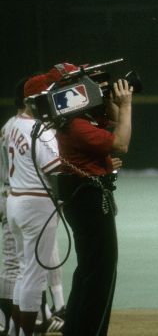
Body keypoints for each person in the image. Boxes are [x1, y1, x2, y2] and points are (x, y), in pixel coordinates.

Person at [53, 65, 133, 336]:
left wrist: (111, 104)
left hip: (83, 196)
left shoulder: (73, 120)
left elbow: (112, 125)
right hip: (89, 199)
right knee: (101, 275)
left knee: (88, 271)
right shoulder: (77, 126)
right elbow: (122, 143)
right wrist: (127, 105)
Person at [5, 74, 63, 336]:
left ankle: (18, 332)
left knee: (23, 270)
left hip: (15, 199)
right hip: (36, 203)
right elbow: (56, 169)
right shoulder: (40, 130)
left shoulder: (10, 124)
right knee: (35, 275)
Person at [0, 78, 27, 335]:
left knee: (15, 262)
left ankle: (11, 321)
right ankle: (7, 322)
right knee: (15, 263)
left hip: (9, 194)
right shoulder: (23, 127)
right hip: (14, 194)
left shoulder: (8, 126)